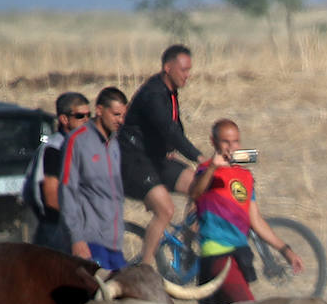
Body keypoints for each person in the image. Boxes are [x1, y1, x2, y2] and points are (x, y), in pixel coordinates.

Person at [189, 118, 304, 304]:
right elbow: (195, 192)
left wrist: (286, 251)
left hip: (239, 254)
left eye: (235, 141)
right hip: (217, 256)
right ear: (213, 141)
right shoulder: (206, 171)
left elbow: (256, 221)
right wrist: (212, 167)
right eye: (225, 141)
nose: (231, 147)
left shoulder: (245, 176)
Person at [121, 44, 201, 266]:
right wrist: (197, 156)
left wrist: (170, 150)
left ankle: (186, 248)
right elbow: (168, 129)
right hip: (134, 161)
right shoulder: (153, 94)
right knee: (165, 210)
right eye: (183, 70)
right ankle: (145, 266)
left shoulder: (170, 92)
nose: (188, 75)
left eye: (189, 70)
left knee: (200, 185)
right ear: (168, 68)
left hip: (155, 159)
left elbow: (175, 127)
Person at [59, 86, 128, 271]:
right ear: (99, 110)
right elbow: (67, 191)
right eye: (116, 114)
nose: (120, 120)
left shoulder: (114, 144)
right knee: (99, 295)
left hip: (113, 242)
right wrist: (76, 239)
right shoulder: (77, 141)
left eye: (123, 116)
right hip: (89, 241)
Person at [23, 90, 89, 252]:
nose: (87, 121)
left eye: (89, 115)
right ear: (64, 119)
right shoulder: (54, 150)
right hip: (55, 228)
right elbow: (52, 198)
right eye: (80, 116)